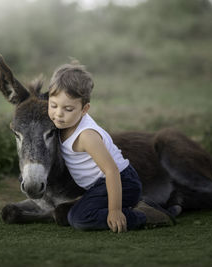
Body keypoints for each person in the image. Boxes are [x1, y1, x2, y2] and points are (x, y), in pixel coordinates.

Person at [47, 62, 174, 233]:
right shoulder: (61, 123)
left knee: (80, 219)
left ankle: (144, 215)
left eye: (68, 109)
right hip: (99, 186)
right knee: (72, 214)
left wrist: (114, 211)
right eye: (53, 105)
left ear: (84, 109)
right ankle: (139, 207)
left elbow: (111, 171)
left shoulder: (87, 136)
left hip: (121, 181)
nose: (59, 114)